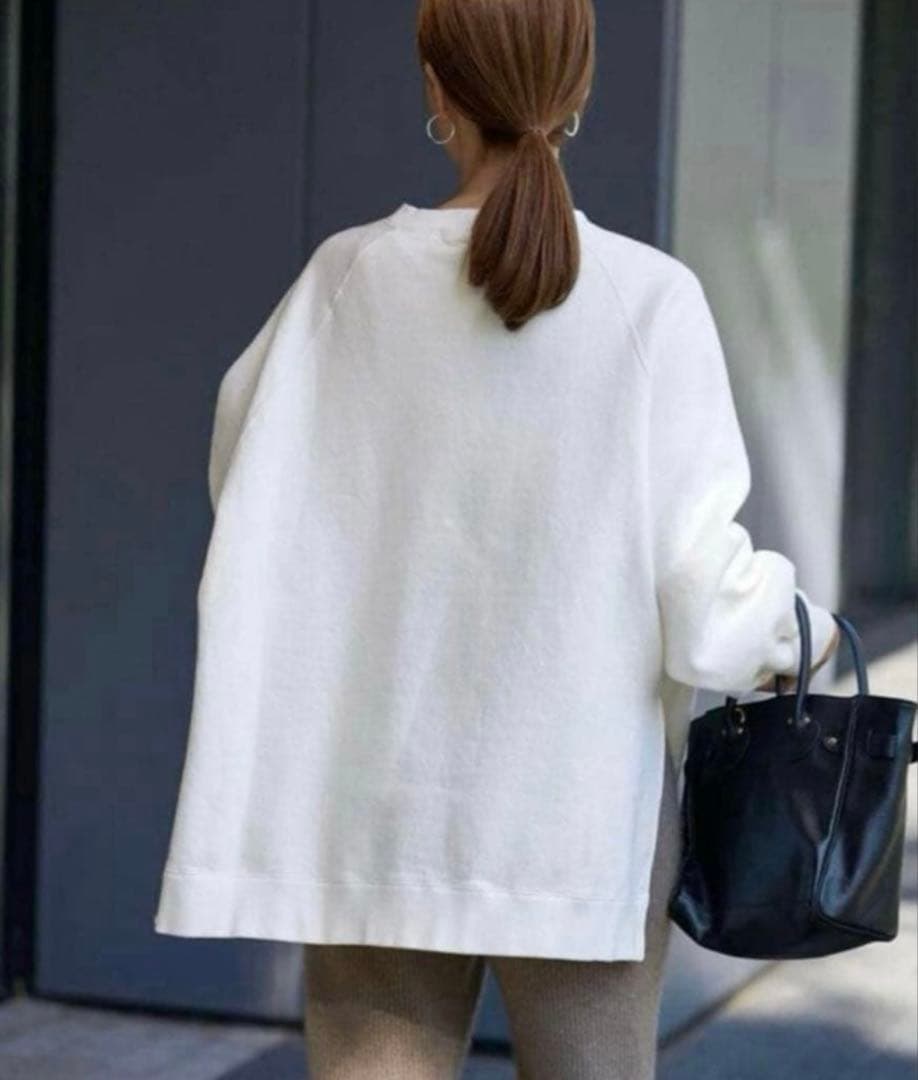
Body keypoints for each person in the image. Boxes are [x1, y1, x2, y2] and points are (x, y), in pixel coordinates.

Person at [153, 0, 841, 1075]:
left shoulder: (347, 281)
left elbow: (251, 490)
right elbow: (707, 607)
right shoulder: (650, 300)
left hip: (374, 794)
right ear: (580, 89)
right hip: (581, 812)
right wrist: (807, 633)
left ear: (438, 88)